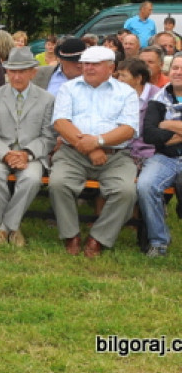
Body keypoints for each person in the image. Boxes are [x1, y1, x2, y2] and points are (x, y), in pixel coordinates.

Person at [49, 45, 139, 257]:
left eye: (95, 64)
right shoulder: (68, 88)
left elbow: (128, 129)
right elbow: (61, 123)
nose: (88, 68)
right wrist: (91, 150)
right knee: (58, 183)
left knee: (126, 192)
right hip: (73, 153)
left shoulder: (126, 93)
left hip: (115, 156)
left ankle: (98, 238)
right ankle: (71, 235)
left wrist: (98, 142)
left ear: (110, 68)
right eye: (86, 64)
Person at [0, 47, 56, 248]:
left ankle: (4, 229)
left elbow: (48, 136)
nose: (17, 76)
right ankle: (13, 228)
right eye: (12, 71)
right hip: (0, 152)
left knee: (32, 179)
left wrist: (27, 153)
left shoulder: (47, 99)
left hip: (31, 154)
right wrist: (6, 154)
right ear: (6, 71)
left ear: (33, 72)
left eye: (22, 71)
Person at [136, 55, 182, 257]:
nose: (178, 72)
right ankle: (158, 241)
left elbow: (158, 129)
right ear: (168, 71)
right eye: (175, 68)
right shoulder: (158, 99)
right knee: (145, 185)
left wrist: (166, 124)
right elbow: (150, 134)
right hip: (166, 157)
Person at [116, 57, 158, 170]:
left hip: (151, 155)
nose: (119, 80)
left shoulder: (158, 98)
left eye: (123, 76)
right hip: (123, 152)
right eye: (118, 75)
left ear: (139, 78)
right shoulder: (118, 95)